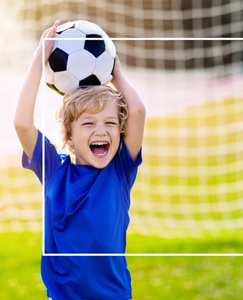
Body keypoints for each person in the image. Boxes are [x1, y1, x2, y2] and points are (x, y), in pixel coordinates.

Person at [14, 20, 146, 300]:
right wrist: (38, 60)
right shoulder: (54, 170)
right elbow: (22, 124)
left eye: (110, 122)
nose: (101, 130)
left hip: (114, 296)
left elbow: (136, 112)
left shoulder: (120, 171)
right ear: (70, 137)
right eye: (88, 124)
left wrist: (116, 72)